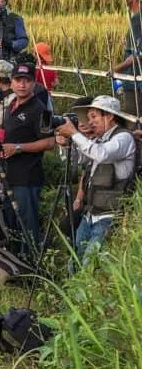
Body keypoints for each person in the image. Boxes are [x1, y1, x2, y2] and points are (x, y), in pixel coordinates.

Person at [54, 95, 138, 267]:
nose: (89, 122)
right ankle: (71, 294)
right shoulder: (99, 141)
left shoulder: (123, 138)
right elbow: (77, 164)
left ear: (109, 116)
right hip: (90, 214)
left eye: (94, 117)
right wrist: (65, 145)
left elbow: (102, 154)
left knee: (90, 264)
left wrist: (75, 133)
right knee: (74, 262)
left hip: (110, 215)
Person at [0, 61, 55, 252]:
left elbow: (50, 143)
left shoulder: (43, 110)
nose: (22, 84)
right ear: (11, 82)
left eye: (27, 80)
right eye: (18, 80)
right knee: (11, 225)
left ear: (34, 83)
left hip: (27, 177)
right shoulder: (11, 105)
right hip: (8, 175)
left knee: (27, 226)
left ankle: (32, 267)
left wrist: (18, 147)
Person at [114, 0, 142, 117]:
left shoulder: (138, 19)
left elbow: (138, 54)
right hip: (134, 80)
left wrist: (116, 69)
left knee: (133, 121)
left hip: (136, 82)